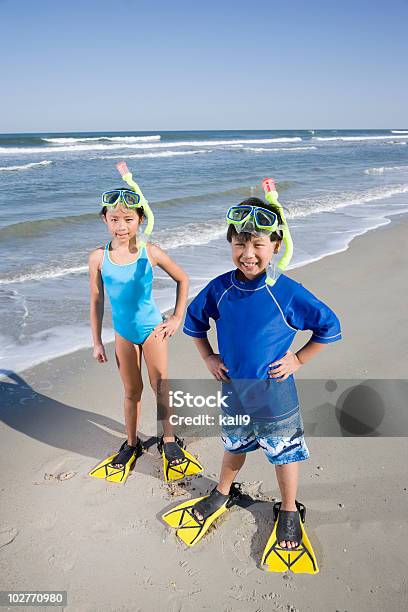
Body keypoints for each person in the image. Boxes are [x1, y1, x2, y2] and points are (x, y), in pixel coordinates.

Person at [164, 180, 341, 571]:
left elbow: (328, 326)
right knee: (234, 445)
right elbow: (194, 322)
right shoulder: (220, 289)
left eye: (258, 245)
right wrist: (209, 357)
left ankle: (290, 509)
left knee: (284, 453)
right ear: (230, 244)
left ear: (276, 247)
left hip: (275, 395)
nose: (247, 254)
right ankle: (223, 492)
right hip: (234, 392)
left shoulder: (287, 292)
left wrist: (299, 360)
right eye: (239, 244)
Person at [88, 165, 201, 484]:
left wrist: (177, 317)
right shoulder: (98, 257)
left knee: (160, 386)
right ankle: (132, 443)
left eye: (128, 219)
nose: (121, 226)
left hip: (153, 330)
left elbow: (183, 278)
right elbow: (96, 300)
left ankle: (168, 440)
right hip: (123, 334)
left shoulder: (150, 252)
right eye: (114, 219)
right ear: (105, 220)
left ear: (140, 220)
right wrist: (97, 340)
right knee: (131, 391)